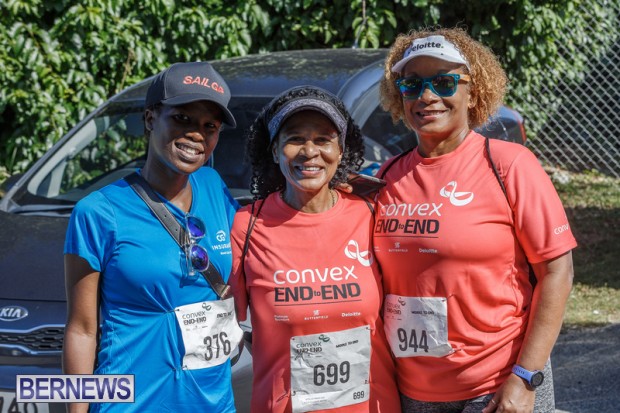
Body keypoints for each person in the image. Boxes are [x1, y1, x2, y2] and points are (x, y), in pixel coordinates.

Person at [375, 27, 577, 413]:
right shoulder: (387, 178)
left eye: (444, 82)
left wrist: (526, 376)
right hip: (414, 390)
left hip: (498, 384)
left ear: (473, 91)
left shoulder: (509, 165)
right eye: (412, 84)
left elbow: (558, 273)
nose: (427, 96)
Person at [63, 61, 242, 412]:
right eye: (182, 118)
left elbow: (263, 248)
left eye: (210, 126)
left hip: (214, 402)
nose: (196, 134)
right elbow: (82, 330)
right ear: (150, 118)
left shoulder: (213, 186)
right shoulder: (98, 212)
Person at [228, 86, 400, 413]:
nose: (309, 151)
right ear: (275, 150)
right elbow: (224, 324)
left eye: (323, 139)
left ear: (340, 150)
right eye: (295, 139)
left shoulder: (371, 214)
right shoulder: (247, 226)